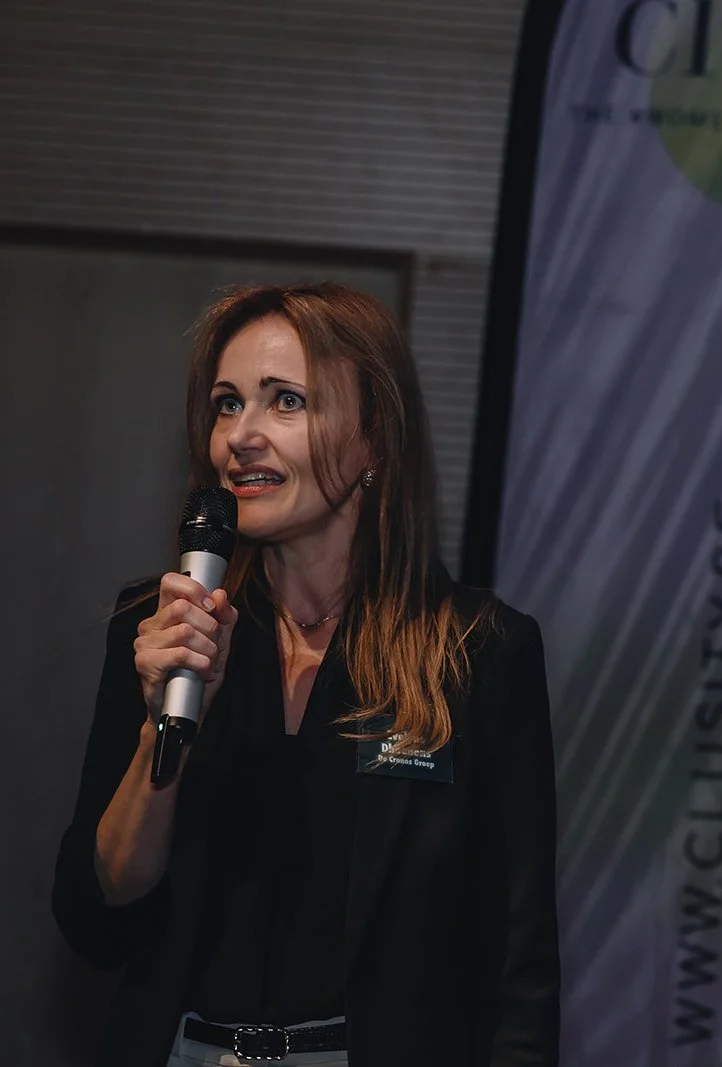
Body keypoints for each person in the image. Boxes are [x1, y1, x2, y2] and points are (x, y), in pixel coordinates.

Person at [51, 282, 560, 1066]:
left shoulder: (477, 651)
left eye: (285, 400)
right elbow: (99, 915)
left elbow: (518, 970)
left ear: (375, 438)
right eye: (227, 404)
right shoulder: (163, 628)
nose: (241, 435)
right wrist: (162, 722)